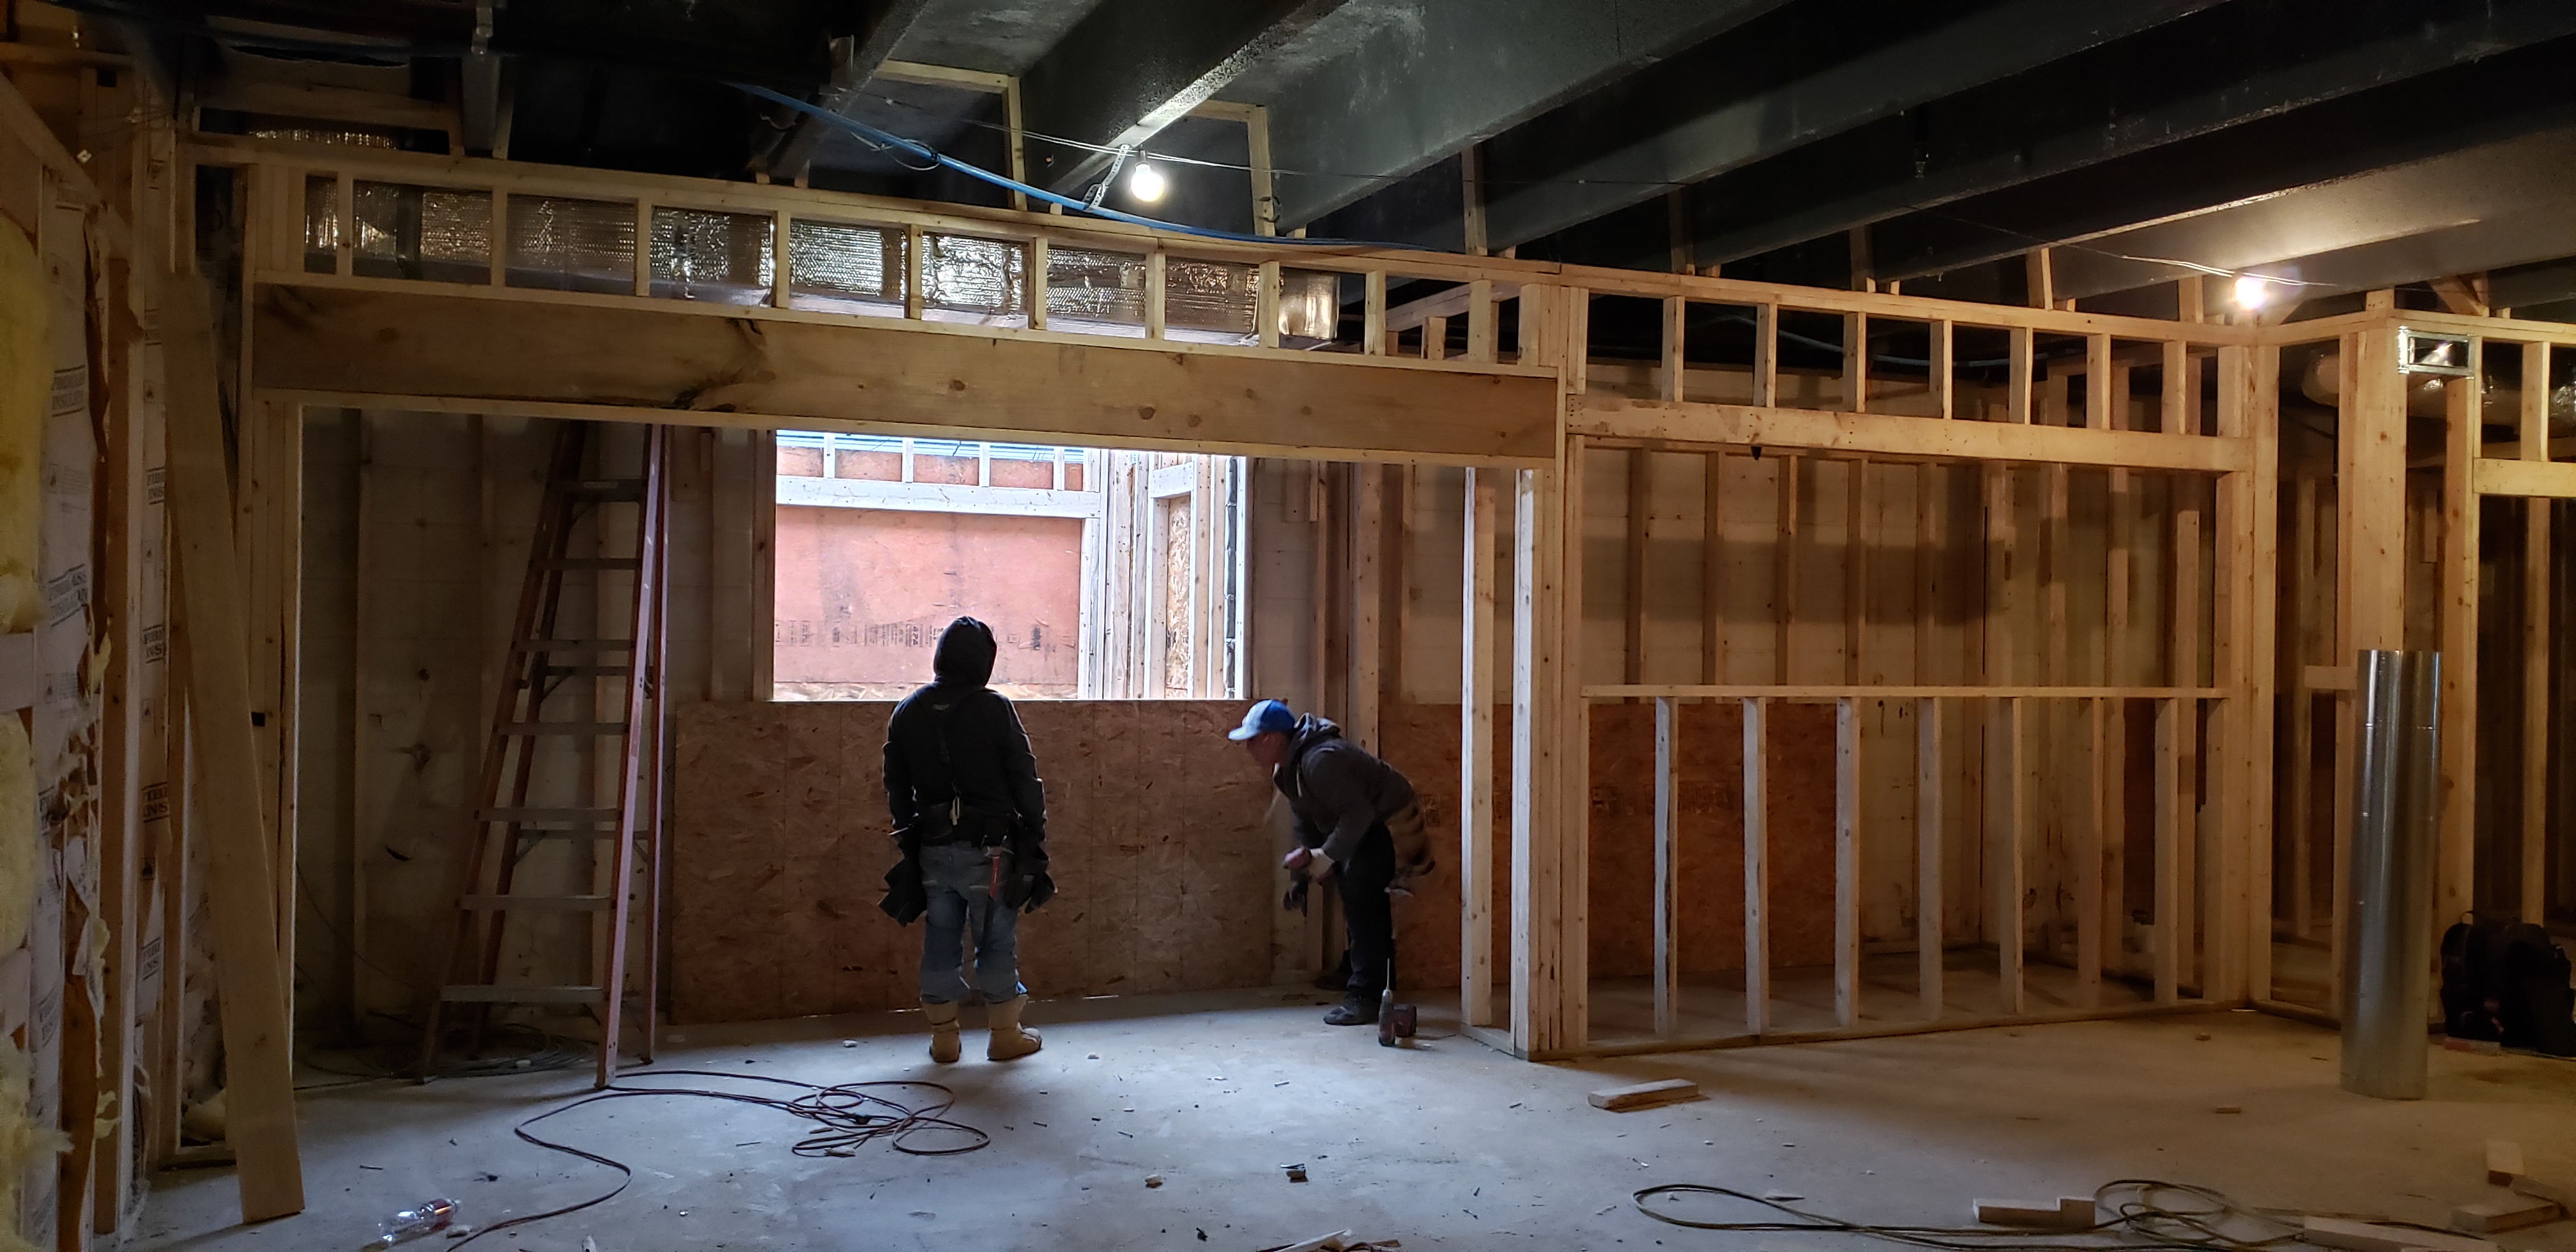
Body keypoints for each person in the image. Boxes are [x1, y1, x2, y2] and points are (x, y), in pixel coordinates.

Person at [882, 617, 1052, 1063]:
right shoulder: (994, 709)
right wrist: (1035, 832)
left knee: (940, 940)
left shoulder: (907, 711)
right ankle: (1005, 1035)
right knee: (994, 941)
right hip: (990, 851)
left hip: (933, 850)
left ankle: (944, 1040)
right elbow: (1024, 775)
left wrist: (908, 835)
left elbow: (896, 784)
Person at [1230, 699, 1431, 1025]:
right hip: (1359, 821)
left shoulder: (1320, 761)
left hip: (1389, 821)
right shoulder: (1287, 771)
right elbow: (1306, 822)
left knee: (1364, 895)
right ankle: (1359, 971)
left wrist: (1326, 857)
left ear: (1273, 739)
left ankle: (1367, 996)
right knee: (1353, 891)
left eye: (1252, 740)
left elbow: (1359, 814)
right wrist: (1304, 872)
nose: (1248, 748)